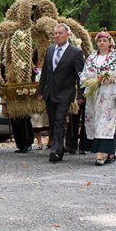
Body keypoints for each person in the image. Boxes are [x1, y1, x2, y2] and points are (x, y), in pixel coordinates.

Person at [36, 23, 85, 163]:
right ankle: (59, 149)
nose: (57, 35)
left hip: (65, 93)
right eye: (55, 33)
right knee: (53, 121)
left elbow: (80, 75)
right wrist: (40, 91)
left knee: (59, 120)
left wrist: (81, 95)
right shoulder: (50, 51)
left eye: (60, 33)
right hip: (50, 93)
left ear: (68, 35)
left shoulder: (76, 52)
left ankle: (55, 150)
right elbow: (45, 72)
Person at [80, 32, 116, 165]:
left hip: (109, 95)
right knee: (96, 123)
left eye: (104, 40)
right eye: (99, 40)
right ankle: (110, 152)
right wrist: (92, 80)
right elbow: (83, 75)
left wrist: (111, 78)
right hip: (94, 95)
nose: (102, 43)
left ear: (109, 42)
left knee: (106, 123)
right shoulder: (91, 57)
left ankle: (100, 155)